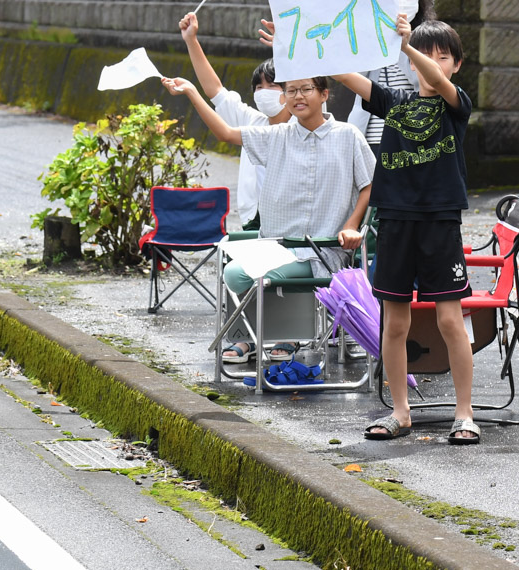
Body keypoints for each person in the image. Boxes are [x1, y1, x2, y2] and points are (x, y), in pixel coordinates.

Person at [332, 18, 479, 445]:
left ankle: (465, 414)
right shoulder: (394, 102)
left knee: (451, 321)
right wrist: (297, 46)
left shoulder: (457, 103)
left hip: (439, 222)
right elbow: (345, 74)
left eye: (443, 56)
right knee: (394, 325)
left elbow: (433, 77)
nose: (433, 64)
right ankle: (400, 412)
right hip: (394, 221)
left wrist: (407, 44)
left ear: (457, 64)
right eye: (424, 55)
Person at [160, 73, 374, 359]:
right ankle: (258, 337)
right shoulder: (276, 135)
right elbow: (225, 133)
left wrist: (351, 225)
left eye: (306, 89)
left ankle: (283, 336)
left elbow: (370, 184)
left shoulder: (348, 136)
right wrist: (191, 92)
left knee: (262, 276)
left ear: (323, 94)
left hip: (322, 252)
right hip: (274, 247)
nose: (298, 96)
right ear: (283, 98)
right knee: (236, 275)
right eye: (290, 91)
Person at [179, 12, 295, 363]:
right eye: (258, 87)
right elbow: (215, 89)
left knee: (282, 280)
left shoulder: (304, 129)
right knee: (240, 272)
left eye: (273, 86)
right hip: (252, 217)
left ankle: (288, 337)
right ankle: (243, 338)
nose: (264, 93)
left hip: (289, 219)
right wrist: (192, 41)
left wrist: (288, 45)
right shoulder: (251, 121)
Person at [346, 0, 436, 157]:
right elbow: (352, 77)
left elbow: (427, 84)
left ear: (419, 0)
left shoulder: (428, 39)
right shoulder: (367, 38)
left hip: (409, 140)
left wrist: (404, 44)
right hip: (370, 139)